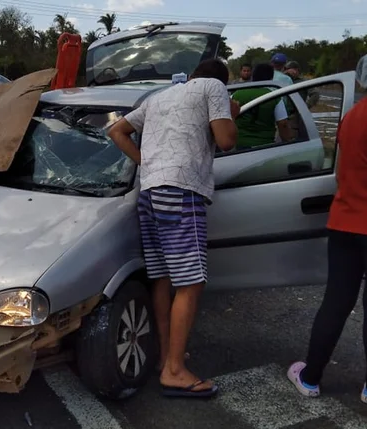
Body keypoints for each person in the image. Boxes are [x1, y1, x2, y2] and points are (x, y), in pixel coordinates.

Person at [108, 59, 240, 398]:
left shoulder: (160, 96)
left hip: (150, 192)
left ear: (193, 74)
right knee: (192, 283)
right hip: (181, 193)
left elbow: (116, 132)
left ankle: (166, 357)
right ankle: (175, 371)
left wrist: (149, 163)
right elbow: (226, 140)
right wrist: (230, 113)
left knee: (164, 279)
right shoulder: (215, 89)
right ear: (218, 80)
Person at [287, 44, 367, 406]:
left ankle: (310, 376)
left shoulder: (354, 115)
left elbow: (345, 170)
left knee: (336, 302)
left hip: (344, 222)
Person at [231, 63, 292, 148]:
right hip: (265, 145)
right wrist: (288, 143)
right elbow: (283, 124)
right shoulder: (274, 97)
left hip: (239, 145)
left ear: (253, 75)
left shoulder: (236, 95)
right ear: (271, 78)